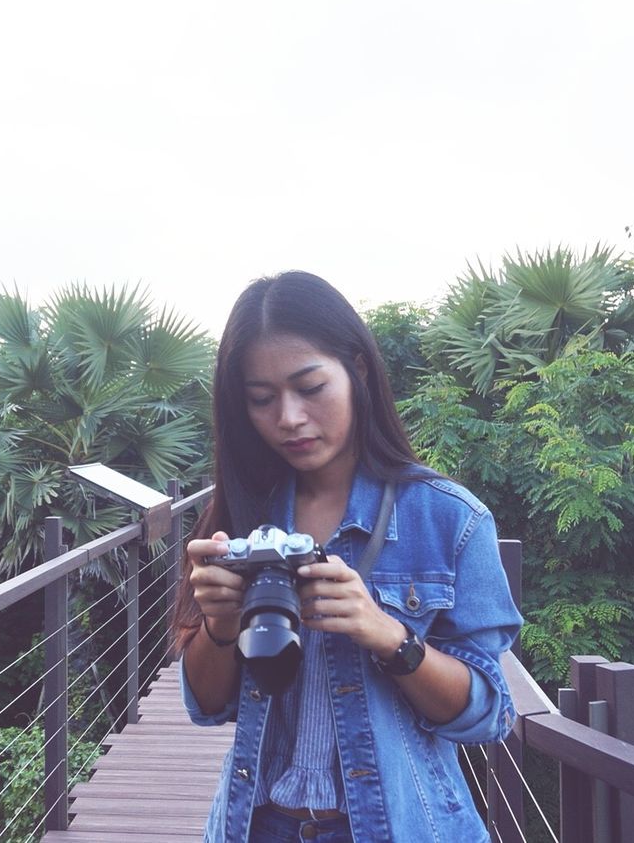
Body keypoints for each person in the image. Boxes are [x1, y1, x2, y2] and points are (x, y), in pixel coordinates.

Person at [170, 271, 522, 843]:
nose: (287, 418)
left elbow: (487, 715)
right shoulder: (241, 515)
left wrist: (389, 636)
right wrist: (219, 626)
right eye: (261, 399)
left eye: (309, 388)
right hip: (257, 826)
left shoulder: (449, 520)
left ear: (357, 369)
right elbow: (206, 705)